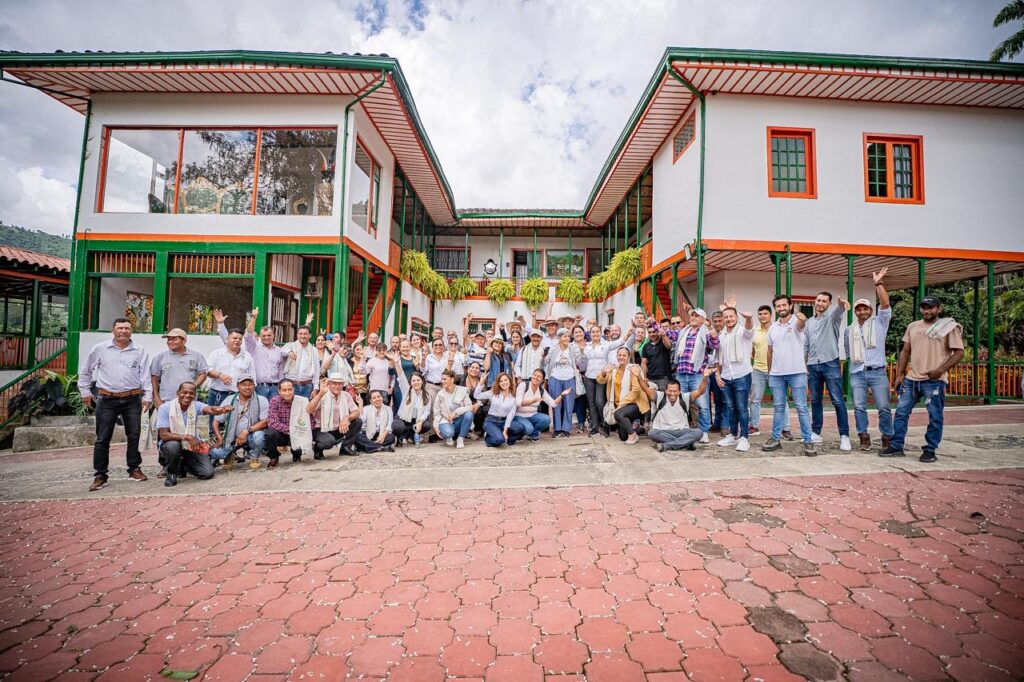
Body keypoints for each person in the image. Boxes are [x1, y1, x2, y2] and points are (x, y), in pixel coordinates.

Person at [881, 296, 964, 463]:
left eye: (931, 307)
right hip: (912, 379)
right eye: (924, 307)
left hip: (934, 380)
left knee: (934, 416)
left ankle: (930, 449)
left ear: (939, 309)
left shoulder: (948, 327)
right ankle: (896, 445)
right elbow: (905, 351)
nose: (927, 311)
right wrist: (899, 375)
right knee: (901, 412)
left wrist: (940, 370)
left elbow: (959, 352)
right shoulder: (913, 326)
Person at [79, 318, 152, 491]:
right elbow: (86, 371)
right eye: (120, 328)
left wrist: (147, 396)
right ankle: (100, 475)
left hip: (132, 398)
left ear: (131, 331)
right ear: (113, 330)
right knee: (102, 438)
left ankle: (134, 469)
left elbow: (145, 375)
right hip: (107, 399)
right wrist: (85, 392)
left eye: (127, 328)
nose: (124, 331)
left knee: (134, 435)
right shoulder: (100, 349)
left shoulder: (139, 350)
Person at [846, 268, 893, 451]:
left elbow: (885, 304)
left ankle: (887, 437)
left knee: (883, 407)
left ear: (871, 310)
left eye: (865, 308)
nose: (862, 311)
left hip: (877, 372)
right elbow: (848, 350)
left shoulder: (880, 323)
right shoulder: (850, 329)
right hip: (858, 372)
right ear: (856, 312)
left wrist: (878, 283)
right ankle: (863, 436)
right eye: (859, 309)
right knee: (859, 407)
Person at [656, 309, 719, 442]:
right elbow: (667, 332)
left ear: (703, 319)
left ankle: (704, 432)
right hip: (681, 374)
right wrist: (654, 324)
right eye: (692, 315)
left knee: (702, 405)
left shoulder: (706, 333)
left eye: (697, 316)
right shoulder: (683, 331)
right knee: (679, 403)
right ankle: (681, 428)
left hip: (697, 374)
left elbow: (715, 345)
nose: (693, 317)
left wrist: (714, 336)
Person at [762, 295, 815, 455]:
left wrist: (802, 317)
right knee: (778, 407)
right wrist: (770, 372)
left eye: (784, 305)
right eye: (778, 306)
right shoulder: (773, 328)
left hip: (797, 372)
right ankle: (775, 438)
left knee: (801, 407)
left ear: (790, 306)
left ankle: (808, 440)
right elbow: (770, 351)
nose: (781, 308)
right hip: (777, 374)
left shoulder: (796, 322)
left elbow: (802, 323)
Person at [155, 381, 233, 487]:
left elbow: (209, 409)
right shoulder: (165, 408)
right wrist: (187, 437)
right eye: (184, 392)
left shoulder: (195, 405)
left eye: (191, 393)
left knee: (207, 473)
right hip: (172, 444)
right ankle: (172, 473)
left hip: (192, 446)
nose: (187, 395)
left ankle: (183, 464)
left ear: (194, 395)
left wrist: (219, 410)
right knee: (173, 446)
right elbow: (164, 435)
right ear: (178, 393)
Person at [805, 290, 853, 451]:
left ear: (829, 304)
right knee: (815, 400)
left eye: (824, 301)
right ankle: (816, 432)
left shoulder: (832, 318)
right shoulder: (809, 322)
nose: (820, 303)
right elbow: (806, 343)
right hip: (812, 364)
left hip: (830, 363)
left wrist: (840, 306)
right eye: (818, 300)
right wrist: (804, 363)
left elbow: (838, 313)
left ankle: (844, 436)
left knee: (838, 401)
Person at [226, 308, 290, 401]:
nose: (266, 337)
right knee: (258, 412)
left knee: (272, 412)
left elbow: (280, 370)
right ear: (260, 337)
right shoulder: (254, 347)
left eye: (269, 335)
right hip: (259, 387)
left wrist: (280, 386)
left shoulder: (279, 351)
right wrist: (254, 318)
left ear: (273, 336)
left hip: (274, 388)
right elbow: (248, 334)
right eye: (263, 335)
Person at [716, 306, 755, 452]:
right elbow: (718, 357)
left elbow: (750, 329)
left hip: (742, 375)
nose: (728, 319)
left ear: (736, 317)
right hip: (726, 376)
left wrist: (749, 318)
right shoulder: (722, 335)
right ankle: (733, 435)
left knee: (742, 407)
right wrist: (717, 374)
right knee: (731, 407)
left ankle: (744, 437)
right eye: (725, 317)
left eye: (731, 316)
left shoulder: (742, 331)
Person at [598, 346, 656, 444]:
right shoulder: (614, 369)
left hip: (636, 404)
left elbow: (636, 390)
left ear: (628, 357)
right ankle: (640, 430)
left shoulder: (633, 369)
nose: (621, 357)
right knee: (623, 436)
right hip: (621, 405)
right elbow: (600, 380)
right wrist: (604, 372)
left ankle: (633, 436)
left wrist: (621, 404)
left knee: (618, 413)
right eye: (619, 355)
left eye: (624, 355)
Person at [749, 305, 790, 438]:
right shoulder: (754, 331)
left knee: (781, 400)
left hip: (776, 370)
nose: (762, 316)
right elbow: (753, 351)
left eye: (765, 313)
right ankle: (754, 426)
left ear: (771, 315)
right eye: (760, 314)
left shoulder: (777, 329)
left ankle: (785, 429)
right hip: (758, 370)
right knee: (755, 399)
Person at [210, 376, 269, 469]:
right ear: (238, 386)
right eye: (244, 385)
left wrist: (246, 431)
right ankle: (230, 455)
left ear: (254, 386)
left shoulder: (261, 400)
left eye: (250, 384)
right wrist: (220, 438)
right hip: (232, 437)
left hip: (251, 435)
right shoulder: (229, 400)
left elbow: (265, 421)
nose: (247, 387)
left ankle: (254, 457)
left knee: (259, 436)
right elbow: (216, 421)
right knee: (215, 453)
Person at [207, 326, 255, 428]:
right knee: (214, 424)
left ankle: (229, 444)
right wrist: (220, 375)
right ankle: (214, 442)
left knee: (233, 425)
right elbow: (207, 370)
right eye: (234, 338)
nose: (237, 340)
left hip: (237, 396)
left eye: (239, 339)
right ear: (227, 339)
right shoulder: (216, 353)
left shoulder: (247, 356)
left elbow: (252, 377)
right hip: (217, 394)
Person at [650, 373, 711, 452]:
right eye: (670, 391)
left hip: (681, 431)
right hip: (663, 431)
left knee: (698, 432)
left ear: (679, 392)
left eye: (675, 391)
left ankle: (667, 446)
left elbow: (700, 391)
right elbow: (646, 389)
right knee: (652, 433)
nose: (672, 393)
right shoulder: (660, 396)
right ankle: (686, 443)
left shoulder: (685, 397)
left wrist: (704, 378)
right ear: (666, 391)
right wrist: (638, 377)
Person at [149, 328, 208, 410]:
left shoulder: (196, 356)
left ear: (184, 341)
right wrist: (156, 399)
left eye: (174, 339)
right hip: (166, 401)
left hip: (189, 401)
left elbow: (203, 374)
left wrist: (192, 386)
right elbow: (153, 379)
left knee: (188, 423)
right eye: (168, 340)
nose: (170, 342)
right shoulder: (160, 357)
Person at [265, 378, 316, 466]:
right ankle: (274, 456)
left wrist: (303, 431)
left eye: (290, 389)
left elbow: (311, 421)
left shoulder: (302, 401)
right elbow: (272, 421)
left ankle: (296, 454)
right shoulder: (274, 401)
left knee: (298, 450)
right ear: (279, 391)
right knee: (270, 433)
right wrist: (289, 429)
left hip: (298, 433)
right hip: (283, 434)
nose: (287, 393)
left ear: (294, 389)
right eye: (284, 390)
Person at [309, 374, 362, 458]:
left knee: (357, 421)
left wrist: (347, 418)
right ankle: (317, 448)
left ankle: (345, 447)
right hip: (321, 429)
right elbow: (309, 410)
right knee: (329, 442)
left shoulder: (345, 395)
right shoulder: (322, 395)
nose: (337, 386)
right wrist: (320, 394)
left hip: (338, 428)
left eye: (340, 384)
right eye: (334, 383)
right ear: (329, 384)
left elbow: (356, 412)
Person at [543, 328, 582, 438]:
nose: (567, 338)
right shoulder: (553, 349)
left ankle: (566, 428)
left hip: (570, 378)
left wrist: (581, 351)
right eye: (564, 336)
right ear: (559, 338)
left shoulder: (573, 348)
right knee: (556, 404)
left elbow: (579, 360)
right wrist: (544, 356)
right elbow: (545, 362)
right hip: (555, 378)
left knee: (569, 405)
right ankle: (557, 428)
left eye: (568, 336)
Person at [513, 368, 570, 440]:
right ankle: (525, 432)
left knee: (547, 419)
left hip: (532, 415)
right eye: (535, 375)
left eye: (539, 376)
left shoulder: (541, 390)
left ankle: (532, 434)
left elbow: (553, 404)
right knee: (529, 429)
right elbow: (518, 403)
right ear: (532, 376)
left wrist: (562, 395)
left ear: (542, 380)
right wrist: (532, 400)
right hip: (519, 415)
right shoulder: (523, 385)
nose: (536, 377)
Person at [473, 372, 527, 447]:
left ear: (510, 381)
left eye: (505, 380)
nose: (504, 382)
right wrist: (481, 382)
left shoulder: (513, 397)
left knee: (521, 428)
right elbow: (476, 395)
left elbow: (510, 415)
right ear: (498, 383)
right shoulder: (493, 393)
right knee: (499, 440)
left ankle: (506, 440)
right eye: (501, 381)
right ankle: (490, 438)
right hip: (491, 421)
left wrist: (505, 430)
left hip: (504, 421)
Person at [433, 369, 478, 448]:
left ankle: (460, 438)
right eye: (442, 379)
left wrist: (456, 412)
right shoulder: (440, 394)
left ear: (452, 379)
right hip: (446, 420)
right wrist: (436, 426)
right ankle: (449, 436)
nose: (442, 381)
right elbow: (436, 412)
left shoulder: (462, 390)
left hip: (459, 420)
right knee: (449, 433)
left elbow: (469, 407)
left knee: (469, 414)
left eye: (445, 379)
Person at [393, 371, 432, 446]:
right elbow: (401, 376)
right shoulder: (406, 390)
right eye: (413, 381)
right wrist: (397, 363)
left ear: (422, 381)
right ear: (410, 382)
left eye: (418, 380)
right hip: (402, 418)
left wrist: (420, 422)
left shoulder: (427, 396)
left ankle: (409, 435)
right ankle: (399, 437)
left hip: (415, 420)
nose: (416, 382)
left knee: (426, 425)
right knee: (398, 426)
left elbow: (426, 412)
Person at [283, 322, 319, 399]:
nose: (303, 336)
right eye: (300, 334)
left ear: (310, 335)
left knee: (305, 409)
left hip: (307, 386)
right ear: (297, 335)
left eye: (305, 334)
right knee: (291, 409)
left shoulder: (313, 350)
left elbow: (316, 369)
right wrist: (289, 352)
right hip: (291, 386)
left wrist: (316, 388)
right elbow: (282, 351)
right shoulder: (290, 346)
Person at [423, 339, 461, 404]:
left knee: (444, 407)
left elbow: (450, 373)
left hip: (445, 386)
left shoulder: (448, 357)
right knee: (432, 406)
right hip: (432, 386)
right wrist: (423, 360)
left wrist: (450, 362)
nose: (438, 346)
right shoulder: (428, 357)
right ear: (432, 347)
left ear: (443, 346)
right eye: (436, 345)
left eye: (440, 345)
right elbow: (423, 370)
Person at [641, 320, 673, 391]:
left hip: (664, 378)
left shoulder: (663, 342)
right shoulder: (646, 346)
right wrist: (644, 376)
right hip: (650, 379)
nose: (652, 334)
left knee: (663, 400)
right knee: (651, 400)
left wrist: (663, 334)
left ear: (657, 332)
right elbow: (644, 363)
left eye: (654, 332)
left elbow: (668, 346)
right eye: (649, 332)